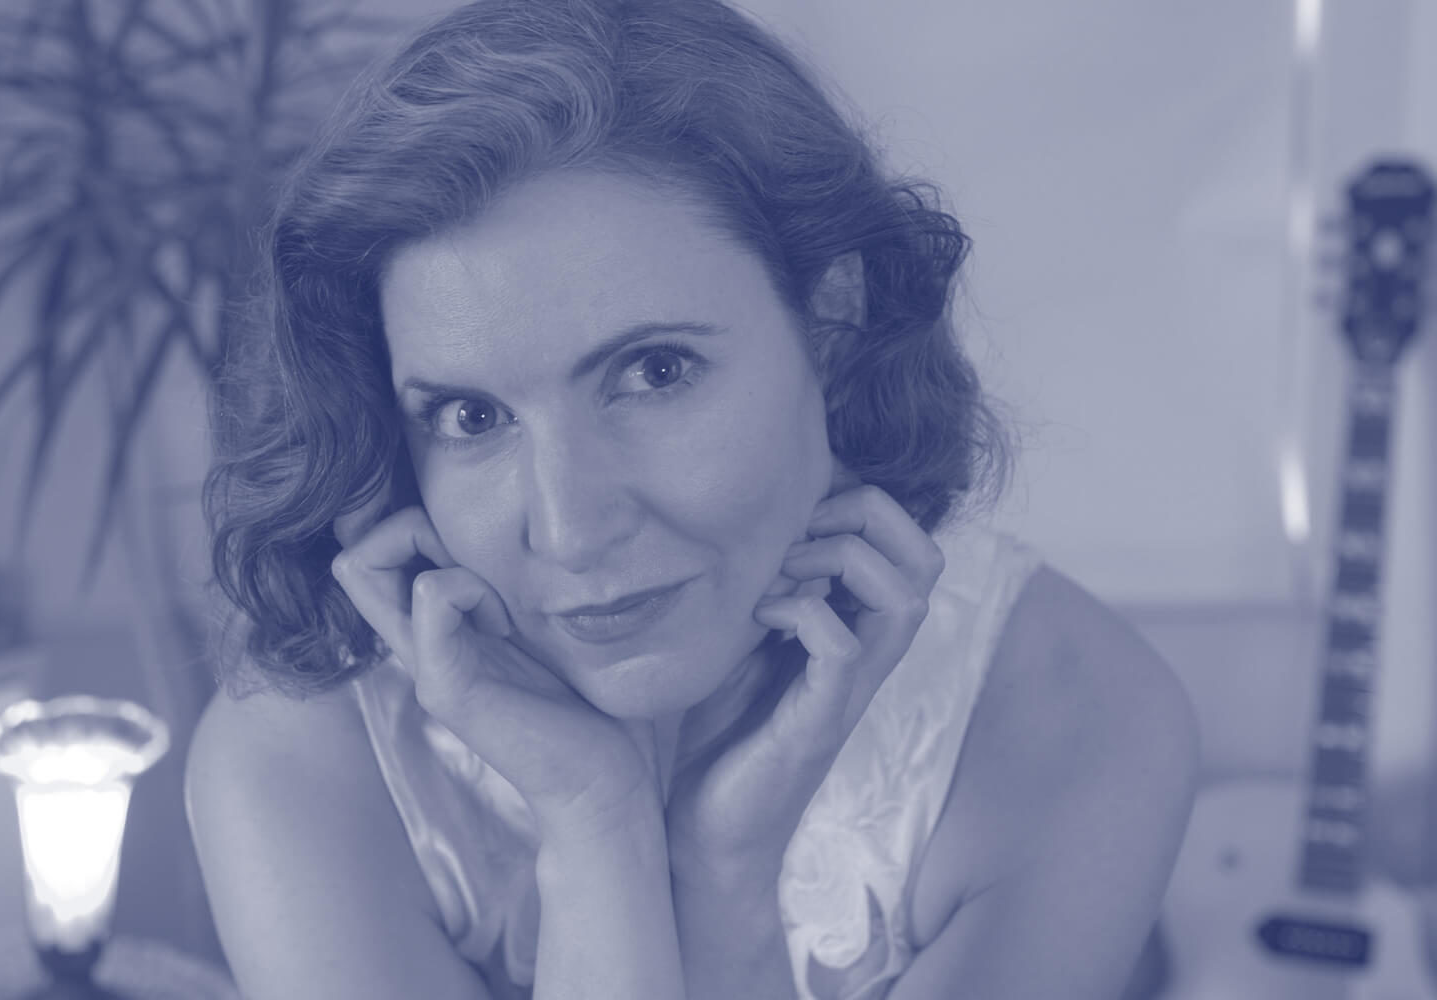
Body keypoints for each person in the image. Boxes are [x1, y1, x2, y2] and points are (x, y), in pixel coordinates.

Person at [185, 1, 1200, 997]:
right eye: (472, 416)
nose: (571, 530)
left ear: (832, 319)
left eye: (655, 372)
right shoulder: (302, 758)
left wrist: (724, 887)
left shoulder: (1075, 721)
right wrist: (595, 823)